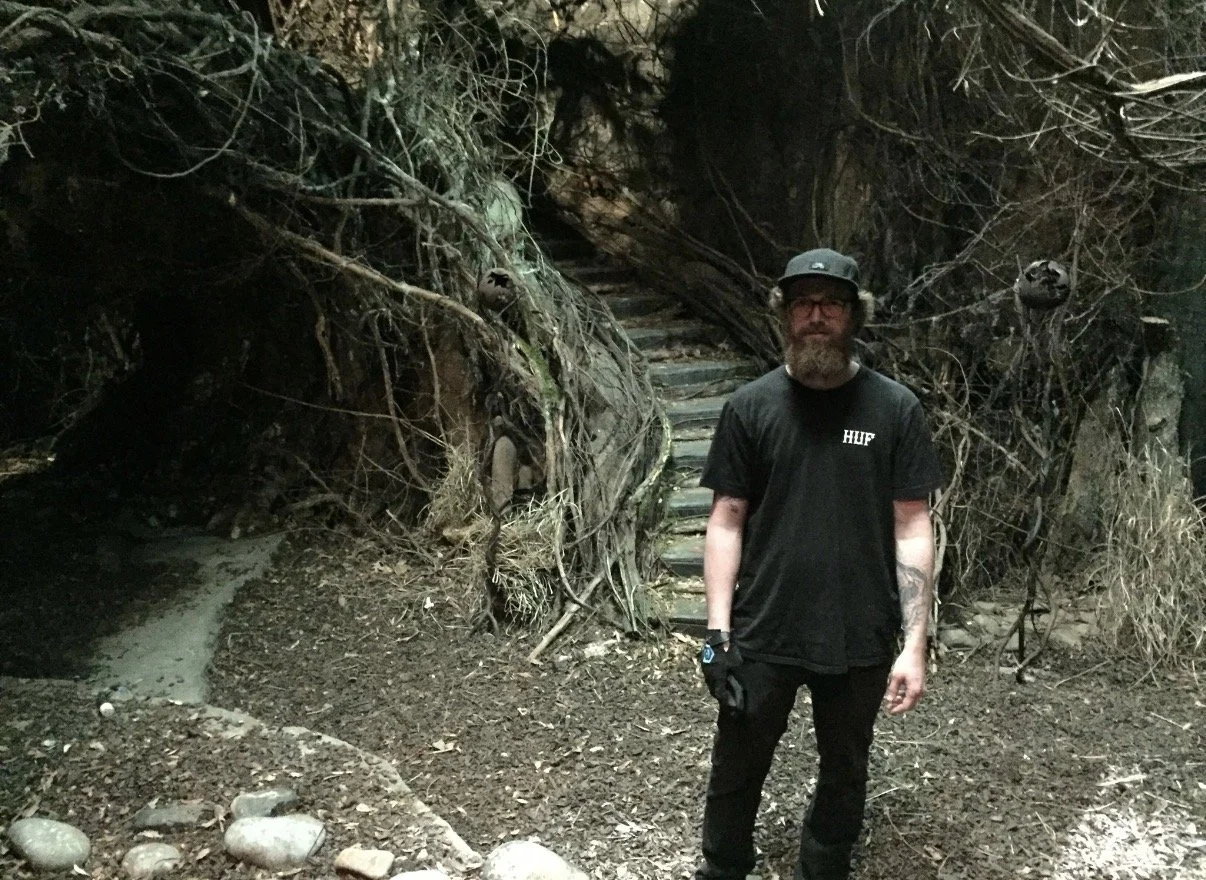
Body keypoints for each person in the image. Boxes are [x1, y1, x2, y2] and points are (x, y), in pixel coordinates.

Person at [694, 248, 944, 880]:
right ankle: (722, 868)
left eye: (831, 304)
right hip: (764, 627)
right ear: (785, 314)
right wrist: (716, 634)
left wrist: (914, 644)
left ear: (854, 315)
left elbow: (913, 525)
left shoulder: (894, 410)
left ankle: (823, 869)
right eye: (803, 303)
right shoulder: (750, 407)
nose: (816, 316)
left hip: (860, 631)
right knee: (737, 765)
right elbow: (726, 520)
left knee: (846, 768)